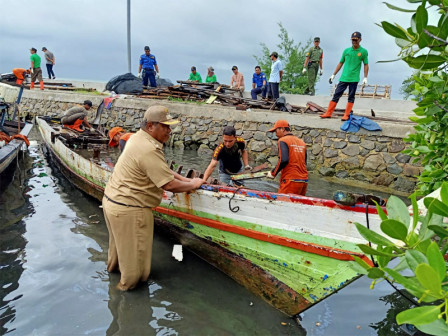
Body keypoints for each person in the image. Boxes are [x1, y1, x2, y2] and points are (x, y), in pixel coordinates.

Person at [103, 105, 203, 291]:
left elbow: (162, 169)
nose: (169, 131)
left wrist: (186, 179)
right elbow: (168, 184)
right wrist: (193, 185)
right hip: (130, 209)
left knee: (116, 261)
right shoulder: (148, 148)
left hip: (113, 202)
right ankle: (127, 303)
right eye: (165, 126)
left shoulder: (137, 139)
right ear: (151, 126)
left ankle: (114, 294)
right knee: (134, 274)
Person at [321, 32, 369, 121]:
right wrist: (333, 75)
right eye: (352, 40)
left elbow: (366, 64)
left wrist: (365, 77)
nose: (354, 41)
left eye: (355, 40)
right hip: (344, 77)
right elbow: (340, 63)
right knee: (336, 95)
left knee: (351, 96)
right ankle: (328, 113)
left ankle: (346, 115)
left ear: (360, 40)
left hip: (354, 78)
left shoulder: (363, 52)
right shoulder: (346, 51)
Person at [266, 120, 308, 196]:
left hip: (291, 180)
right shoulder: (302, 142)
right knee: (297, 205)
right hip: (304, 180)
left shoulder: (282, 140)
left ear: (282, 129)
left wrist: (273, 173)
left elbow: (284, 160)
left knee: (281, 203)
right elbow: (305, 162)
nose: (275, 134)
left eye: (276, 130)